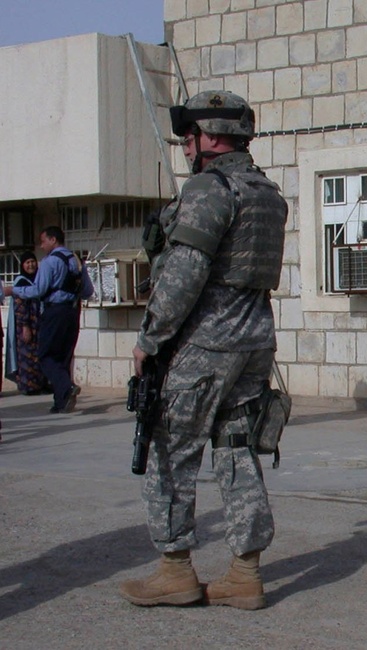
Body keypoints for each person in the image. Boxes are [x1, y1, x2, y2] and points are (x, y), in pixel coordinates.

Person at [118, 90, 287, 610]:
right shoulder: (267, 192)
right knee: (237, 448)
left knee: (171, 450)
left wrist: (150, 340)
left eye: (190, 138)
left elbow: (184, 274)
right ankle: (244, 573)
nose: (186, 148)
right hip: (255, 338)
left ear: (210, 137)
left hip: (207, 341)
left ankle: (175, 571)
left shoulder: (210, 189)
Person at [4, 226, 94, 413]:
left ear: (53, 240)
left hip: (55, 312)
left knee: (45, 356)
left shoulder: (49, 262)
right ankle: (61, 402)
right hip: (73, 312)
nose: (42, 245)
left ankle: (67, 386)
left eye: (43, 241)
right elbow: (87, 291)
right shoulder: (76, 260)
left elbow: (38, 290)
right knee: (63, 357)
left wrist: (13, 290)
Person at [5, 253, 47, 394]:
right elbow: (20, 306)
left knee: (40, 354)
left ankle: (41, 384)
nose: (31, 265)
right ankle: (28, 386)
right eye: (27, 262)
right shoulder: (21, 282)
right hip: (26, 325)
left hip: (39, 324)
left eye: (33, 262)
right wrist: (25, 326)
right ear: (22, 265)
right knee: (27, 355)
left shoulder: (39, 280)